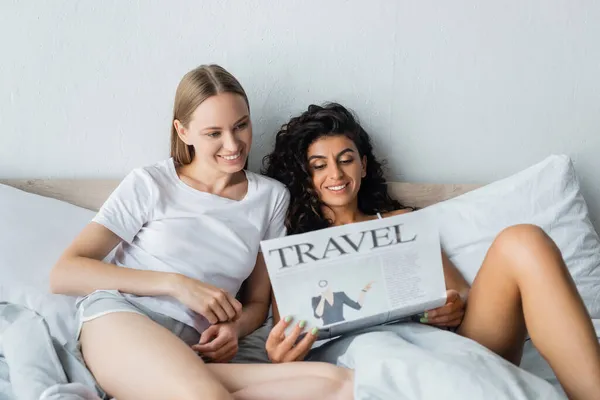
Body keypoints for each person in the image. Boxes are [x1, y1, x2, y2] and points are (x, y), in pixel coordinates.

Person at [50, 66, 353, 400]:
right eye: (214, 133)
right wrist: (177, 285)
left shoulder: (271, 197)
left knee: (338, 384)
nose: (233, 144)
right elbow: (65, 272)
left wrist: (234, 329)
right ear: (183, 131)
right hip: (122, 319)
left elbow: (257, 301)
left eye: (241, 125)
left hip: (193, 348)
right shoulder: (151, 183)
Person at [261, 102, 600, 400]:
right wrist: (279, 357)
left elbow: (464, 296)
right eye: (319, 166)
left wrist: (454, 305)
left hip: (446, 343)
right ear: (306, 177)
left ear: (363, 166)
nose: (335, 173)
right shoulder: (297, 247)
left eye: (345, 160)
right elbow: (286, 333)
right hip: (365, 357)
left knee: (524, 240)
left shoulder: (403, 223)